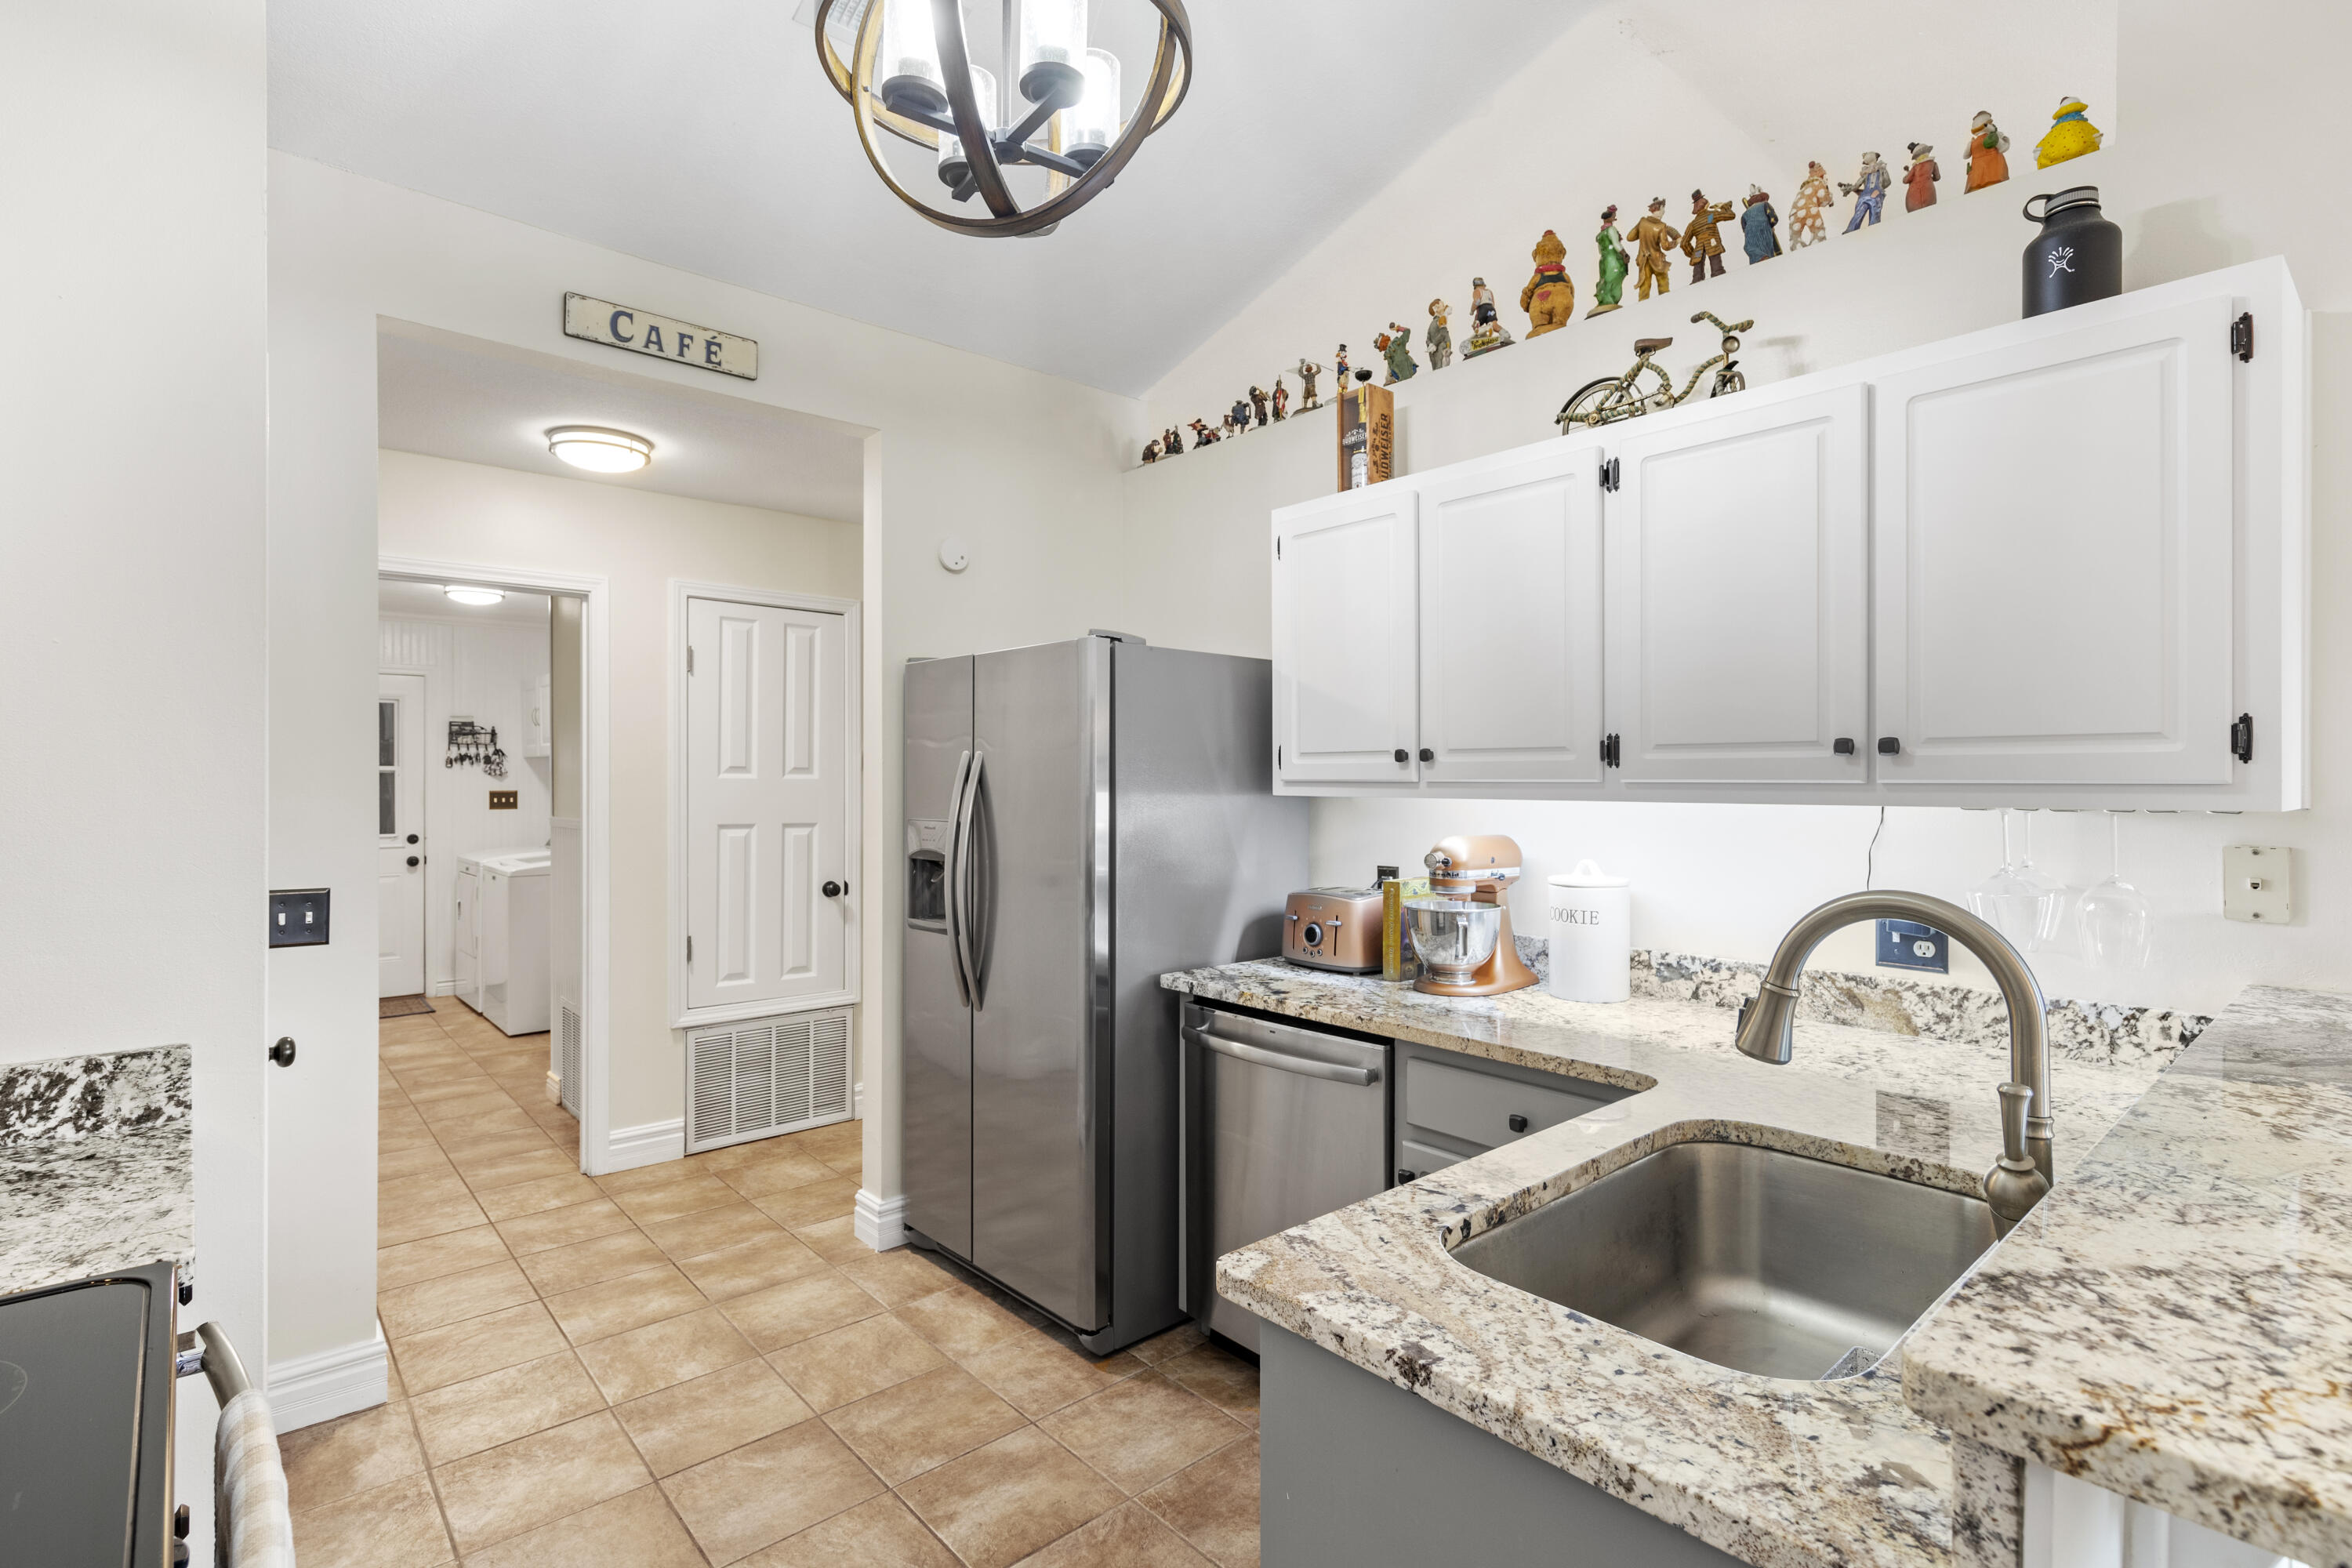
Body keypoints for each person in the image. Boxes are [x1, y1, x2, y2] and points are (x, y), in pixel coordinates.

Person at [1628, 198, 1681, 300]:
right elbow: (1665, 246)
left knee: (1644, 288)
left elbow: (1630, 237)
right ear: (1659, 209)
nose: (1664, 212)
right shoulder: (1661, 226)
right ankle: (1666, 304)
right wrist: (1676, 242)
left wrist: (1642, 231)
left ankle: (1642, 310)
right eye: (1663, 209)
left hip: (1643, 260)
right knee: (1663, 285)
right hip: (1657, 261)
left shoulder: (1642, 222)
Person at [1588, 205, 1629, 315]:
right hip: (1613, 259)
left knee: (1605, 279)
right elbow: (1616, 244)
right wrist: (1624, 254)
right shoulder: (1611, 230)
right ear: (1611, 218)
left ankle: (1605, 300)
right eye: (1614, 216)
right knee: (1613, 280)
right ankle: (1609, 301)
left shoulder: (1600, 235)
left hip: (1604, 260)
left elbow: (1600, 251)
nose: (1615, 218)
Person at [1840, 151, 1893, 232]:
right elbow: (1857, 185)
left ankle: (1873, 231)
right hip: (1864, 195)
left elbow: (1887, 182)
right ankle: (1850, 231)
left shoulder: (1881, 169)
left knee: (1874, 214)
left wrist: (1884, 171)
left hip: (1875, 194)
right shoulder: (1865, 172)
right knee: (1858, 214)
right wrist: (1848, 188)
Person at [1789, 161, 1833, 248]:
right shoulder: (1818, 182)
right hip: (1810, 209)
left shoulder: (1805, 187)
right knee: (1818, 231)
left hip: (1794, 213)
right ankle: (1817, 244)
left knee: (1795, 236)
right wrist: (1830, 199)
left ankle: (1797, 246)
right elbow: (1823, 197)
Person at [1964, 111, 2010, 192]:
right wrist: (2006, 139)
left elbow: (1965, 156)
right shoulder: (1991, 137)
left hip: (1976, 177)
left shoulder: (1972, 143)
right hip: (1994, 174)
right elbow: (2003, 147)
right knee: (1995, 191)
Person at [1740, 185, 1780, 263]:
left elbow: (1743, 225)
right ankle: (1766, 257)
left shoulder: (1745, 213)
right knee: (1767, 245)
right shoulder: (1765, 205)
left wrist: (1747, 231)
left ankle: (1759, 258)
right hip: (1764, 226)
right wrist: (1772, 225)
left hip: (1749, 231)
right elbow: (1774, 218)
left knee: (1749, 247)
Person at [1904, 143, 1940, 212]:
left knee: (1916, 214)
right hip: (1929, 191)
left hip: (1914, 194)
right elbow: (1937, 177)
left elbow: (1906, 180)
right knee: (1929, 211)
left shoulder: (1915, 167)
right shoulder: (1933, 164)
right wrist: (1930, 178)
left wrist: (1906, 174)